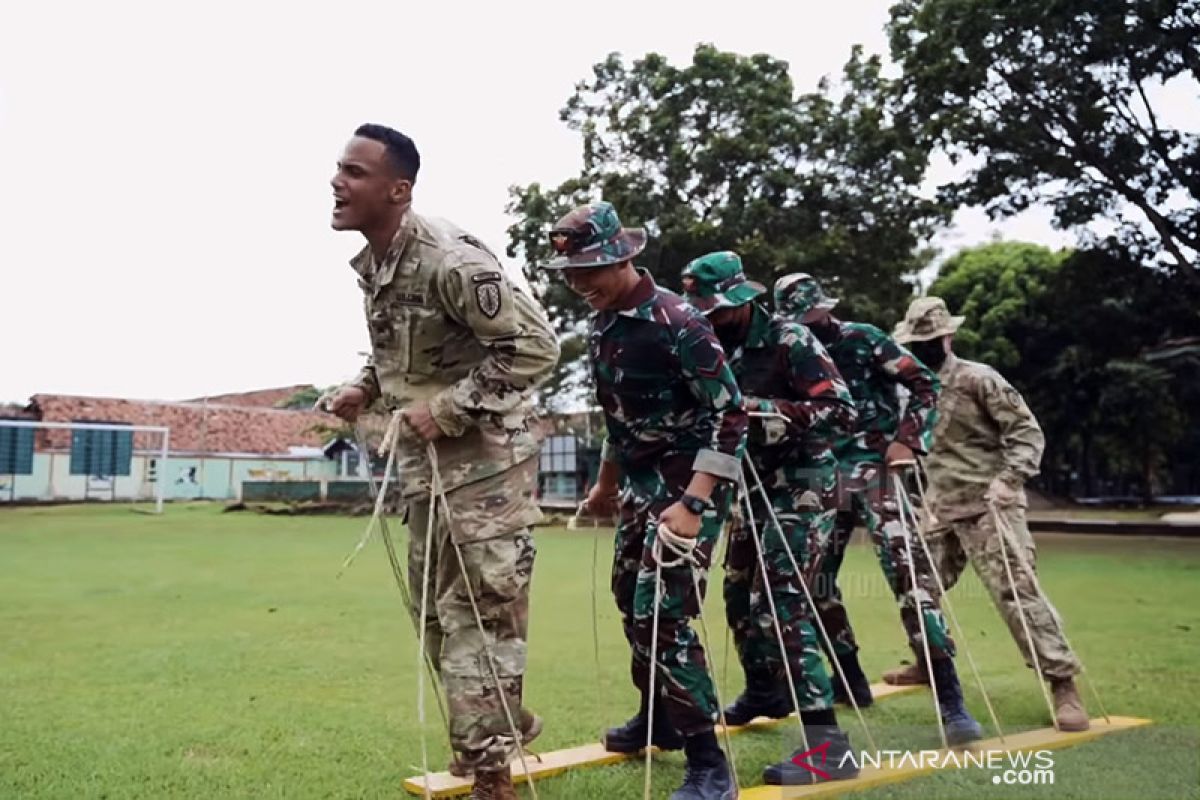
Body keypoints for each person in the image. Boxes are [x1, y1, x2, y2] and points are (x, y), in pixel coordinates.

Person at [321, 123, 560, 799]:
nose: (337, 182)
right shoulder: (380, 264)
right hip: (426, 471)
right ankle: (491, 730)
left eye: (355, 172)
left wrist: (447, 410)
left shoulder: (451, 260)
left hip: (486, 467)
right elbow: (406, 350)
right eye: (338, 169)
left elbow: (537, 349)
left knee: (479, 616)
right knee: (433, 615)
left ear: (398, 190)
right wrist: (364, 386)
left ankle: (493, 775)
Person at [544, 202, 746, 800]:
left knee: (665, 612)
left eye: (590, 271)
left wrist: (694, 502)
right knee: (631, 607)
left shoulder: (679, 322)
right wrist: (606, 485)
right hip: (640, 489)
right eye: (571, 274)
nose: (580, 285)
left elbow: (729, 413)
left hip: (691, 489)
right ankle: (659, 717)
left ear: (625, 257)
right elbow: (619, 419)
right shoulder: (603, 324)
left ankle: (710, 763)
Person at [774, 274, 983, 744]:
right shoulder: (789, 350)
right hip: (819, 474)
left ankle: (950, 700)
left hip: (875, 470)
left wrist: (907, 440)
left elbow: (925, 385)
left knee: (908, 575)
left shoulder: (865, 340)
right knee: (812, 583)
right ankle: (849, 677)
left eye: (811, 319)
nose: (805, 328)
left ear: (825, 312)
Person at [681, 252, 861, 786]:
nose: (706, 317)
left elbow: (840, 411)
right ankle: (764, 692)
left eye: (713, 308)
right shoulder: (708, 343)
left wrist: (769, 411)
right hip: (749, 488)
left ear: (742, 300)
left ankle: (829, 749)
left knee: (783, 602)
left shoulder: (790, 341)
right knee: (737, 594)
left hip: (802, 485)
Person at [894, 296, 1089, 732]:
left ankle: (1062, 683)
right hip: (938, 507)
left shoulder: (978, 379)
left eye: (929, 340)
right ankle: (930, 661)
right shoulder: (909, 388)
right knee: (915, 589)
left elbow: (1026, 432)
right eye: (916, 342)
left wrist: (1009, 480)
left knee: (1018, 595)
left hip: (990, 505)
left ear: (948, 337)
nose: (922, 349)